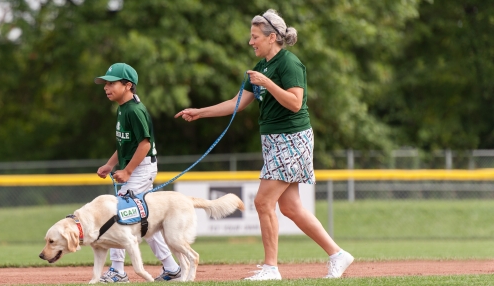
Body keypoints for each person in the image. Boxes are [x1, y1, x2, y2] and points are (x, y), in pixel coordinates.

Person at [174, 9, 354, 280]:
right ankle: (338, 255)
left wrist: (267, 83)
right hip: (273, 140)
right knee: (290, 207)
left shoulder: (288, 64)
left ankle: (271, 268)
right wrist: (200, 111)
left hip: (292, 139)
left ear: (272, 38)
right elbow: (237, 103)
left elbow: (295, 103)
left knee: (262, 202)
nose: (251, 42)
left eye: (255, 37)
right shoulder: (259, 69)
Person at [94, 63, 181, 283]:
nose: (106, 87)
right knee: (145, 222)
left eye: (112, 82)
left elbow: (144, 144)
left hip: (141, 168)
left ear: (128, 85)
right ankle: (171, 267)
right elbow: (125, 145)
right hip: (135, 167)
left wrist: (128, 170)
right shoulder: (123, 108)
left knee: (119, 212)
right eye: (106, 83)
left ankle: (117, 270)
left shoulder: (134, 110)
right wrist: (110, 165)